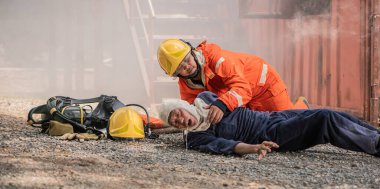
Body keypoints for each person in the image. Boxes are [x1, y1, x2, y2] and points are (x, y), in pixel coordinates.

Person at [158, 91, 380, 160]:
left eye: (176, 114)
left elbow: (236, 96)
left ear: (182, 106)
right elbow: (228, 146)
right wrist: (254, 148)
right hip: (271, 133)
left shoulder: (205, 98)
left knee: (331, 114)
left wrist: (222, 104)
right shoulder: (195, 138)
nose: (178, 120)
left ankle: (376, 135)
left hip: (273, 116)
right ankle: (376, 146)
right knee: (324, 120)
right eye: (174, 122)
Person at [157, 39, 308, 125]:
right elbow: (192, 111)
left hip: (264, 87)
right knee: (263, 128)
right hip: (237, 98)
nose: (187, 66)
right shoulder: (186, 84)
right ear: (176, 74)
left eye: (186, 60)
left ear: (192, 52)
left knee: (288, 123)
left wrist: (222, 104)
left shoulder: (218, 59)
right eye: (180, 68)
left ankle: (303, 106)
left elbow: (242, 87)